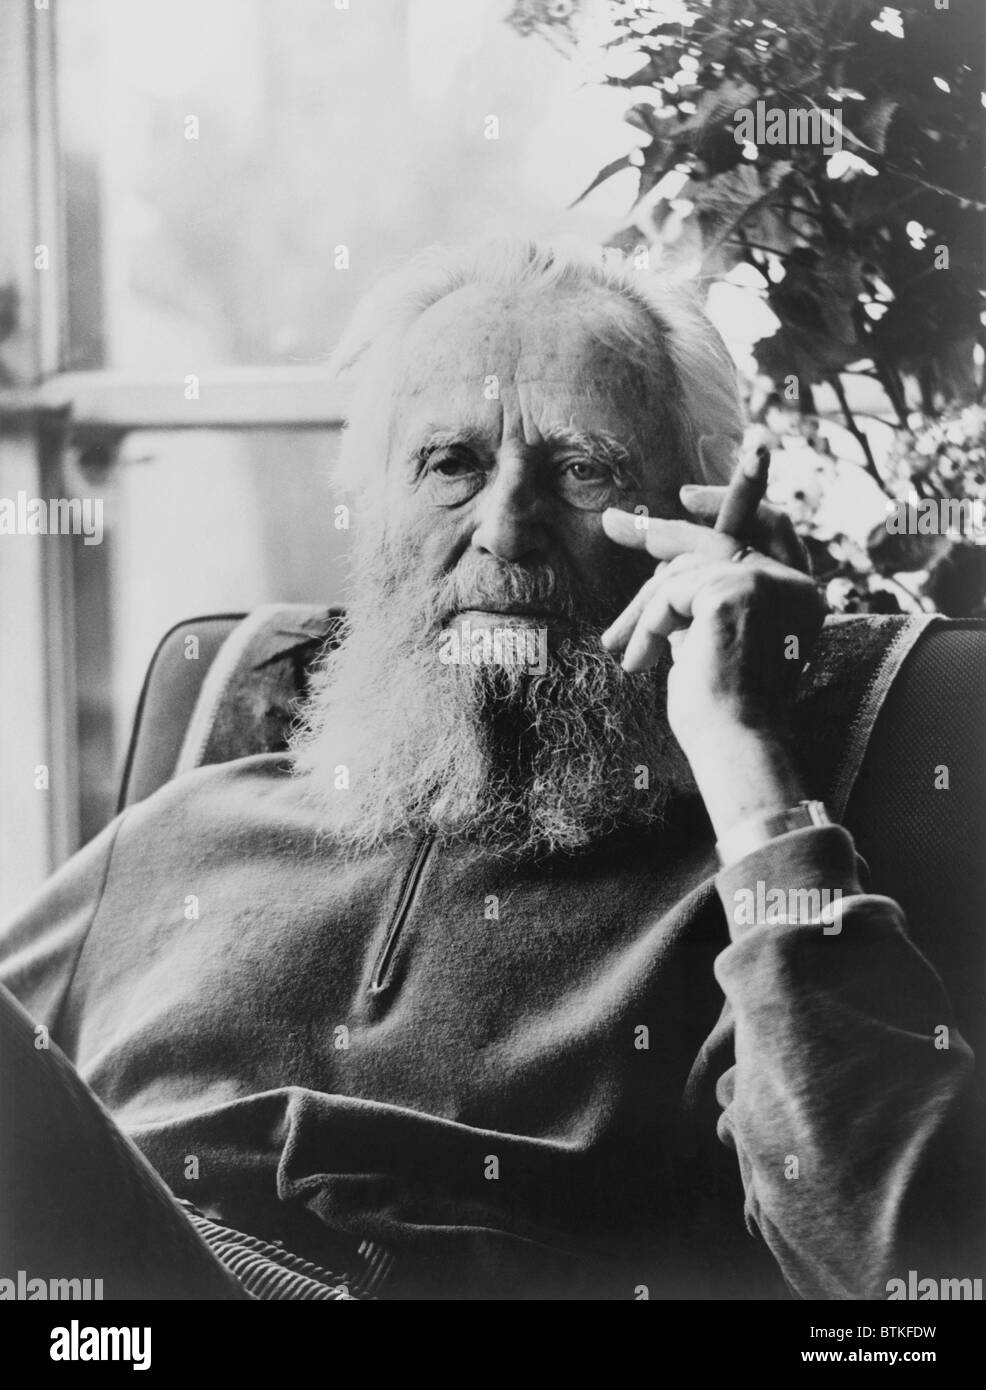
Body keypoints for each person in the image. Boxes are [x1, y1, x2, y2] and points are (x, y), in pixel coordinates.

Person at [1, 238, 981, 1301]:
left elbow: (904, 1282)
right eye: (451, 463)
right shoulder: (188, 831)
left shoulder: (755, 890)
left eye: (580, 469)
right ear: (372, 515)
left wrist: (744, 761)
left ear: (691, 532)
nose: (506, 528)